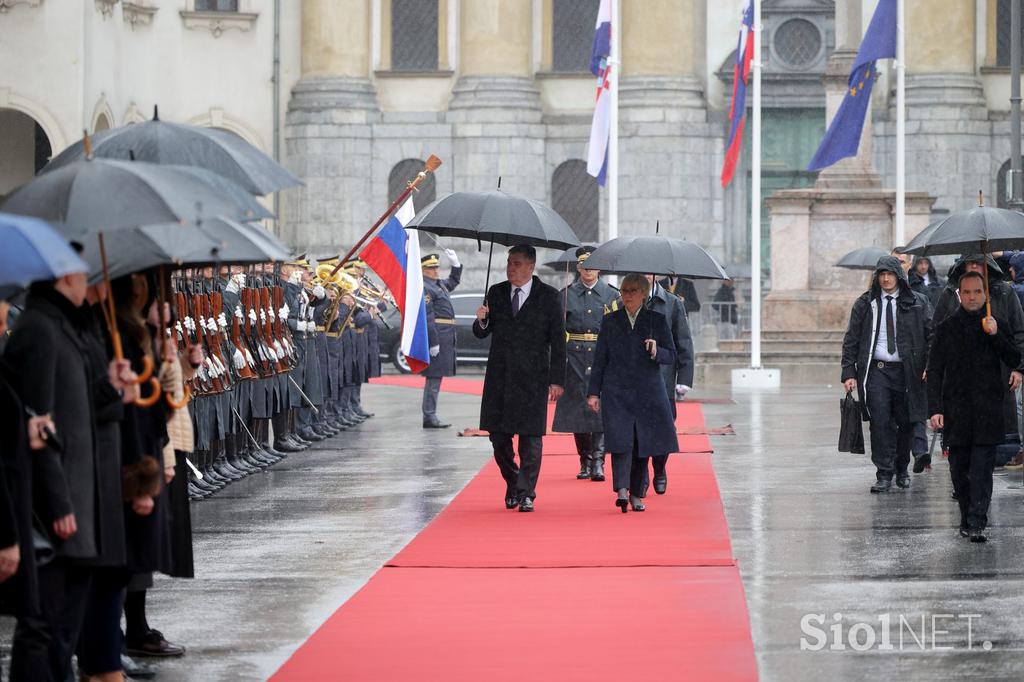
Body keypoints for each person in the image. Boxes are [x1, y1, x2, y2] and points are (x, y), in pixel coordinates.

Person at [4, 263, 99, 681]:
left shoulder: (61, 326)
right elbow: (40, 428)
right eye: (82, 276)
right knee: (44, 624)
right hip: (52, 504)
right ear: (64, 278)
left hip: (73, 496)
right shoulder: (40, 329)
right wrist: (59, 502)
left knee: (63, 622)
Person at [927, 271, 1022, 542]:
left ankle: (977, 521)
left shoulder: (995, 324)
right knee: (960, 471)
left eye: (977, 292)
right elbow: (934, 371)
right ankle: (966, 515)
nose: (972, 297)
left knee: (982, 470)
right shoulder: (947, 328)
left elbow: (1014, 356)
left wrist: (994, 335)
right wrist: (934, 409)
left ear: (985, 294)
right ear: (959, 294)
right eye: (967, 292)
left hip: (988, 410)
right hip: (956, 411)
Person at [473, 245, 566, 512]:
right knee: (498, 437)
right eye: (508, 263)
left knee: (530, 439)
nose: (510, 268)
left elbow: (558, 342)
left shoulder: (548, 297)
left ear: (531, 266)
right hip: (500, 378)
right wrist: (481, 320)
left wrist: (557, 380)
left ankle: (527, 493)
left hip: (532, 378)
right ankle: (512, 480)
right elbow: (482, 333)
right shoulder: (497, 292)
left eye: (516, 263)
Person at [587, 274, 678, 513]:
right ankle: (622, 491)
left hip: (648, 392)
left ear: (644, 294)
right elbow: (600, 360)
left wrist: (657, 351)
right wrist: (593, 392)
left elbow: (671, 355)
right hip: (616, 390)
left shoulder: (655, 320)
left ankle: (637, 493)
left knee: (641, 444)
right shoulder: (610, 321)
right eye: (624, 290)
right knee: (620, 441)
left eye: (632, 291)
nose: (626, 295)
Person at [841, 256, 932, 493]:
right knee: (880, 423)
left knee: (906, 423)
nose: (885, 278)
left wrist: (929, 365)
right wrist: (848, 371)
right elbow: (851, 339)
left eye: (889, 274)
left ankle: (901, 468)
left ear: (898, 276)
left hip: (907, 372)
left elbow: (932, 334)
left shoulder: (917, 302)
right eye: (881, 274)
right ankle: (883, 473)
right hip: (877, 372)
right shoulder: (865, 303)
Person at [552, 247, 620, 481]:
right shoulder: (566, 295)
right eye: (583, 265)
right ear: (578, 267)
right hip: (574, 359)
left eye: (592, 265)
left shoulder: (612, 295)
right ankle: (585, 460)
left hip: (602, 357)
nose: (588, 269)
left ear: (599, 267)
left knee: (599, 408)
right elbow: (557, 332)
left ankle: (599, 462)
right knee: (577, 410)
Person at [644, 275, 694, 495]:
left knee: (663, 427)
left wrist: (684, 378)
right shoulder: (625, 297)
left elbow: (683, 341)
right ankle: (640, 475)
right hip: (633, 376)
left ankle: (659, 467)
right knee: (636, 429)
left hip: (663, 375)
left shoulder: (672, 302)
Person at [421, 249, 463, 429]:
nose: (436, 271)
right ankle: (429, 415)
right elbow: (428, 316)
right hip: (438, 332)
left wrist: (456, 265)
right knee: (433, 377)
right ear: (423, 270)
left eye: (437, 267)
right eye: (431, 268)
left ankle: (431, 414)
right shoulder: (426, 287)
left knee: (436, 378)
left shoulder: (439, 284)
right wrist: (433, 342)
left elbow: (453, 281)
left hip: (445, 333)